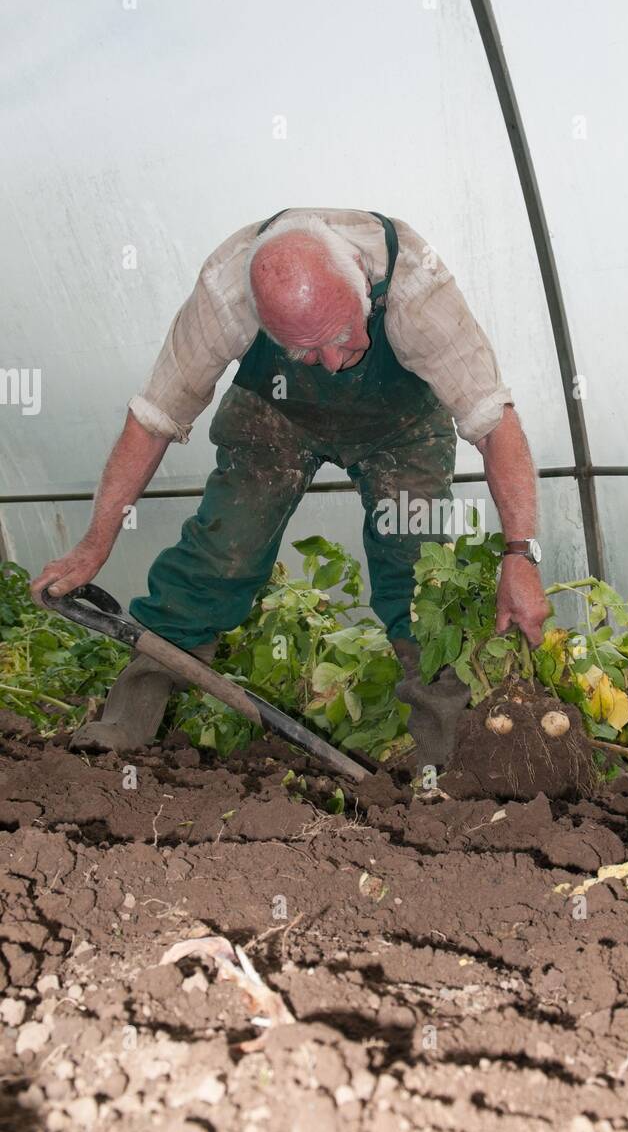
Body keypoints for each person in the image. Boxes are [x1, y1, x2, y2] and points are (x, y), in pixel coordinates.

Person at [32, 209, 549, 768]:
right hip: (274, 415)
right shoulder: (226, 290)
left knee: (416, 572)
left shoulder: (418, 292)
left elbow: (496, 424)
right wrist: (95, 541)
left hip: (399, 425)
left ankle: (445, 758)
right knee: (221, 552)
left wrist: (520, 555)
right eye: (304, 350)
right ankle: (128, 719)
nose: (329, 365)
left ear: (362, 283)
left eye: (344, 338)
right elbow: (153, 417)